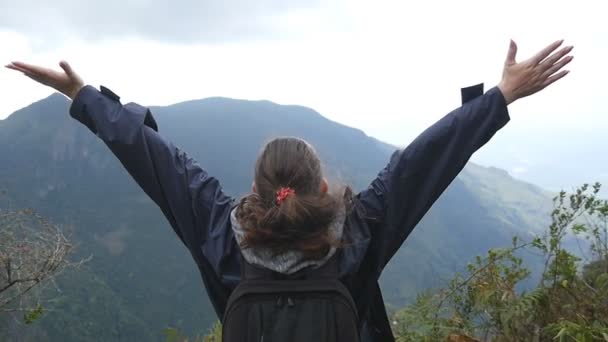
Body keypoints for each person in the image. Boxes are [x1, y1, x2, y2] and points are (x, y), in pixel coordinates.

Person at [6, 39, 573, 341]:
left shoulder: (217, 228)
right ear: (322, 186)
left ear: (254, 190)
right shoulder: (358, 230)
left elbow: (154, 158)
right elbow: (423, 164)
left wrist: (84, 97)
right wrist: (499, 96)